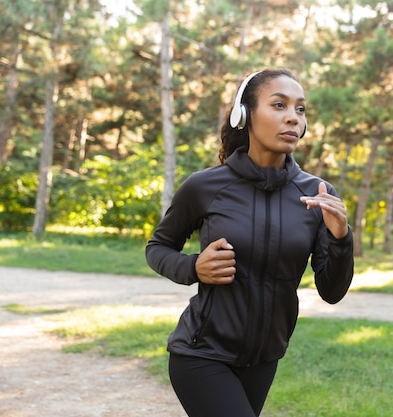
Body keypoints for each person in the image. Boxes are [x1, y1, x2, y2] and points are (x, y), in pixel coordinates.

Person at [145, 68, 354, 417]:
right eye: (278, 105)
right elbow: (158, 247)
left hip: (264, 359)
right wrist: (193, 267)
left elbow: (331, 291)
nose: (292, 117)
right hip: (201, 353)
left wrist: (341, 237)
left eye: (300, 110)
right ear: (245, 114)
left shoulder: (317, 194)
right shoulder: (205, 187)